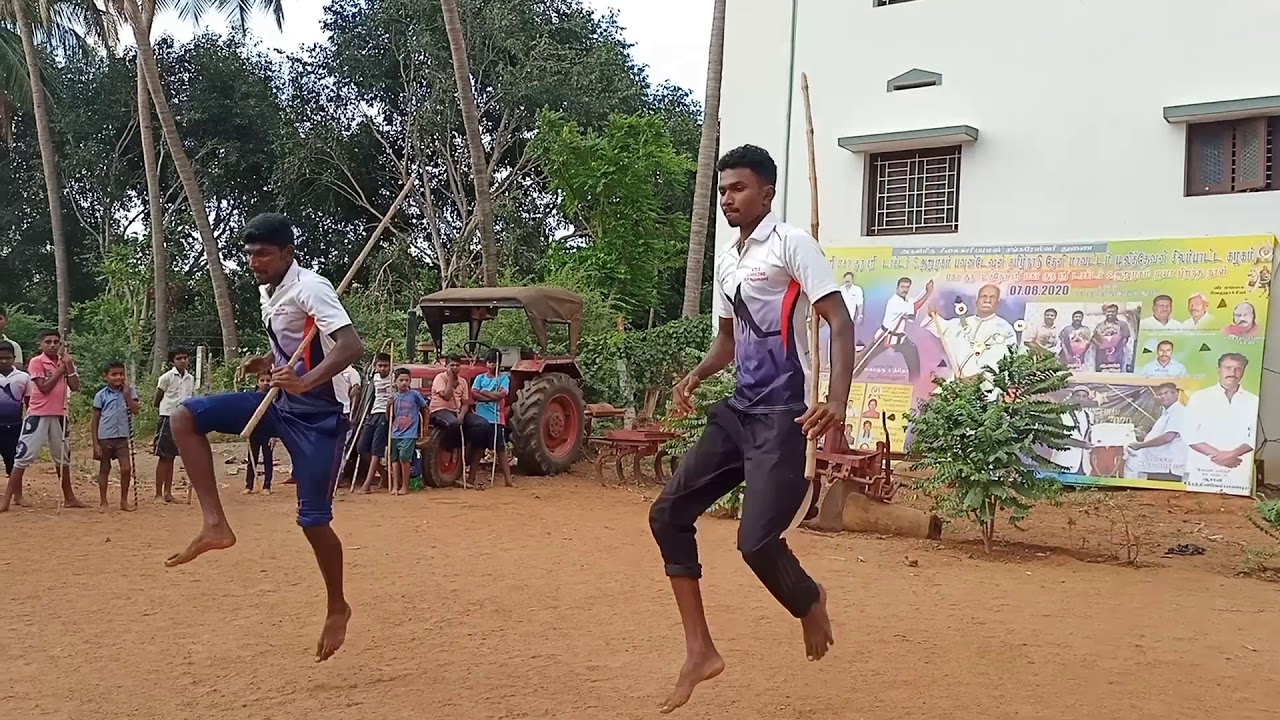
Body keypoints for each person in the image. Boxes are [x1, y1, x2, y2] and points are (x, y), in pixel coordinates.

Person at [648, 145, 852, 713]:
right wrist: (695, 374)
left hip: (786, 418)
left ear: (766, 192)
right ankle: (699, 651)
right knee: (667, 513)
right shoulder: (729, 261)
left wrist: (836, 399)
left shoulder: (791, 245)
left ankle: (809, 599)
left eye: (737, 188)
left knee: (756, 543)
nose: (727, 199)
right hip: (739, 411)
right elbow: (728, 340)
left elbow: (838, 318)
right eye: (722, 191)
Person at [163, 212, 363, 663]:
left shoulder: (312, 287)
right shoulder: (267, 292)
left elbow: (351, 347)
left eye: (263, 253)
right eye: (250, 253)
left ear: (287, 253)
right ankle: (215, 523)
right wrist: (267, 362)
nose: (254, 261)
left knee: (313, 520)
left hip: (321, 415)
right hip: (280, 404)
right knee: (184, 417)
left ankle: (337, 606)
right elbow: (294, 345)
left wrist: (306, 381)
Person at [0, 330, 86, 511]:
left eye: (56, 342)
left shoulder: (65, 361)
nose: (53, 345)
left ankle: (69, 497)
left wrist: (69, 367)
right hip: (38, 414)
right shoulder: (36, 362)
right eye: (48, 342)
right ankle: (7, 499)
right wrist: (60, 371)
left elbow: (75, 386)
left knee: (63, 457)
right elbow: (44, 387)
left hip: (60, 413)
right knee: (23, 456)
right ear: (41, 344)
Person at [1184, 353, 1258, 492]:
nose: (1232, 373)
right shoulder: (1200, 397)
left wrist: (1233, 454)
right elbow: (1189, 433)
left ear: (1243, 371)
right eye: (1228, 368)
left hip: (1239, 467)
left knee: (1238, 510)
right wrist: (1219, 456)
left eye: (1238, 369)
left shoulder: (1253, 400)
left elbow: (1255, 434)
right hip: (1205, 467)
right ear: (1218, 370)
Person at [931, 284, 1017, 378]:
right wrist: (932, 313)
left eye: (992, 297)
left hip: (988, 385)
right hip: (958, 383)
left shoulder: (1005, 328)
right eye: (984, 296)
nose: (987, 300)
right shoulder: (961, 323)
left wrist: (978, 377)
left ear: (998, 303)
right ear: (976, 301)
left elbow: (1004, 360)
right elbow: (939, 326)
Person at [861, 276, 932, 380]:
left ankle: (914, 382)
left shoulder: (909, 301)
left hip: (900, 338)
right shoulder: (894, 301)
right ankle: (853, 376)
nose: (905, 290)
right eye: (902, 287)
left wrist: (910, 312)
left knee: (912, 351)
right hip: (885, 336)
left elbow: (912, 314)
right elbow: (915, 307)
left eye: (907, 287)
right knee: (865, 359)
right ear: (897, 288)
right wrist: (928, 293)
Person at [92, 362, 140, 512]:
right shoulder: (101, 395)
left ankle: (124, 501)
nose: (118, 377)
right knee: (104, 468)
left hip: (122, 438)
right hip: (105, 437)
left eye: (121, 374)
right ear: (106, 376)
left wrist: (127, 395)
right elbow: (95, 420)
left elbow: (136, 410)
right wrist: (95, 444)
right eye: (114, 374)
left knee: (126, 468)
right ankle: (103, 502)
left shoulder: (130, 391)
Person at [468, 349, 513, 489]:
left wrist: (484, 393)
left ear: (499, 364)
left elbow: (501, 395)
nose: (491, 365)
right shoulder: (480, 378)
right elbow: (474, 394)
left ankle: (508, 480)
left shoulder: (504, 378)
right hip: (481, 420)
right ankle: (470, 479)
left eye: (494, 363)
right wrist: (491, 395)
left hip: (496, 419)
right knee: (477, 448)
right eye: (489, 362)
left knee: (500, 449)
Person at [154, 349, 195, 503]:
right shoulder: (166, 377)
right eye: (179, 358)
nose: (183, 361)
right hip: (167, 417)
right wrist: (163, 409)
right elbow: (158, 397)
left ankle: (168, 492)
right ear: (173, 361)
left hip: (183, 417)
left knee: (172, 457)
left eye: (185, 357)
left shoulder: (190, 379)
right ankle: (158, 493)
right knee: (164, 456)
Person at [1124, 383, 1187, 480]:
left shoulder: (1178, 411)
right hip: (1158, 466)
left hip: (1167, 468)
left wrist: (1141, 445)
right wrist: (1144, 436)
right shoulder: (1166, 413)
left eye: (1166, 393)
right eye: (1160, 394)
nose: (1163, 396)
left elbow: (1168, 437)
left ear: (1176, 394)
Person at [356, 353, 393, 494]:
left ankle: (367, 485)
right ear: (376, 366)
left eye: (386, 366)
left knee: (376, 450)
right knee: (361, 447)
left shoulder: (394, 379)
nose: (383, 369)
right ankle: (384, 475)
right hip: (373, 414)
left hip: (385, 415)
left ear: (390, 366)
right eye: (380, 366)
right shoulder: (374, 379)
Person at [389, 367, 428, 495]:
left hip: (409, 433)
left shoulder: (415, 395)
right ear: (395, 381)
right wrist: (388, 405)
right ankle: (395, 486)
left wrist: (425, 427)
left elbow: (425, 409)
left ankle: (405, 486)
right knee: (394, 460)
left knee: (405, 458)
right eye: (401, 380)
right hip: (395, 432)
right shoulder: (393, 396)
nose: (404, 383)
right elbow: (388, 416)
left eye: (407, 380)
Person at [428, 354, 470, 452]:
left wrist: (462, 415)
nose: (455, 368)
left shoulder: (462, 381)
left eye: (457, 365)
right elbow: (446, 396)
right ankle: (452, 450)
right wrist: (451, 378)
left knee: (479, 424)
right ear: (446, 366)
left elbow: (465, 403)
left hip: (456, 411)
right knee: (453, 423)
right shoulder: (440, 378)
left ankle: (468, 451)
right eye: (452, 365)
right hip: (439, 410)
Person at [244, 372, 276, 495]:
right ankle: (249, 485)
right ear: (257, 382)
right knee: (252, 459)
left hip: (268, 432)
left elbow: (276, 417)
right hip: (254, 431)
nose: (265, 383)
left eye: (268, 380)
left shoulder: (275, 398)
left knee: (268, 459)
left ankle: (267, 486)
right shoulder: (252, 397)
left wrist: (274, 435)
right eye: (262, 380)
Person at [0, 342, 28, 476]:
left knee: (13, 463)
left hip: (14, 426)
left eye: (8, 358)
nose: (4, 361)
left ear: (14, 358)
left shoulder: (23, 377)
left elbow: (29, 402)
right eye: (0, 358)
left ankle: (16, 494)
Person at [1050, 387, 1094, 475]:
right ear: (1072, 397)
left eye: (1084, 396)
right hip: (1063, 462)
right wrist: (1082, 444)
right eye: (1078, 396)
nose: (1081, 399)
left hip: (1083, 465)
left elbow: (1091, 436)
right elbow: (1057, 438)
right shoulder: (1060, 413)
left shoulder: (1090, 415)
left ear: (1087, 399)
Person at [1091, 303, 1131, 373]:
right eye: (1108, 312)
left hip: (1117, 355)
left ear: (1116, 312)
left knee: (1117, 374)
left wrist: (1117, 349)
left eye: (1113, 312)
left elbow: (1125, 338)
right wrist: (1101, 346)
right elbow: (1093, 338)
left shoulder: (1122, 324)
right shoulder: (1100, 325)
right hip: (1102, 356)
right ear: (1105, 312)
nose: (1110, 314)